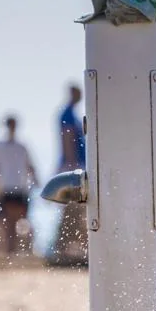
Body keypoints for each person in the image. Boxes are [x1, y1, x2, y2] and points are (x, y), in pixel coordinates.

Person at [0, 115, 38, 254]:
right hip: (10, 187)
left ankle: (14, 251)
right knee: (12, 223)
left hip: (16, 187)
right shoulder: (11, 147)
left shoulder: (15, 147)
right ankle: (12, 251)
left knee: (15, 223)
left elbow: (30, 166)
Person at [53, 84, 88, 260]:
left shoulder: (72, 112)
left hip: (75, 162)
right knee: (72, 209)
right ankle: (63, 248)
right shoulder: (67, 113)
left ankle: (67, 247)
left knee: (75, 210)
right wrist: (72, 163)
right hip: (72, 164)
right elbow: (67, 138)